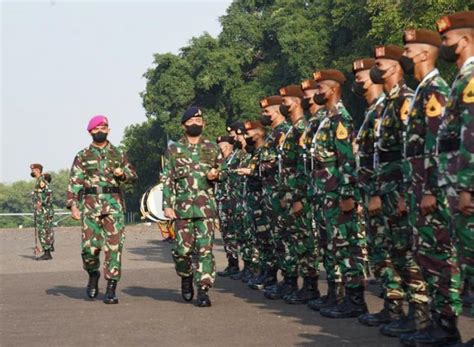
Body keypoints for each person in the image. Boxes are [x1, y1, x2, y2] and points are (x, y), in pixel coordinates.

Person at [310, 69, 368, 318]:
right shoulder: (327, 117)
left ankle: (355, 300)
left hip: (338, 192)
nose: (317, 92)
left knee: (347, 245)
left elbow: (346, 159)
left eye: (321, 87)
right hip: (327, 192)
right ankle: (339, 294)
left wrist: (347, 193)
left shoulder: (340, 118)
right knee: (335, 246)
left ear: (333, 89)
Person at [67, 115, 137, 304]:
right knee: (89, 250)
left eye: (104, 127)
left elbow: (132, 175)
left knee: (114, 248)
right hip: (90, 206)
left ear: (109, 130)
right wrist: (73, 204)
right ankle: (92, 274)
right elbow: (75, 182)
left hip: (114, 205)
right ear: (90, 131)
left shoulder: (119, 153)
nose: (101, 131)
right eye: (97, 128)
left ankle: (111, 288)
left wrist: (123, 174)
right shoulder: (82, 155)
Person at [161, 106, 223, 307]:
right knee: (182, 251)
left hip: (206, 208)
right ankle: (185, 275)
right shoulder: (174, 149)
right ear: (183, 125)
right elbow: (167, 179)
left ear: (203, 124)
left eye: (199, 121)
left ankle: (203, 289)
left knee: (205, 250)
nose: (196, 124)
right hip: (182, 209)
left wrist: (217, 175)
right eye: (191, 121)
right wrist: (167, 206)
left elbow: (222, 173)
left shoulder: (213, 148)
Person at [349, 58, 390, 327]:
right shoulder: (372, 111)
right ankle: (392, 306)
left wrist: (376, 191)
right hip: (371, 191)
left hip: (388, 191)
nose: (359, 79)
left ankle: (402, 309)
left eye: (363, 74)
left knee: (392, 250)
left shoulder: (388, 108)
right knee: (381, 250)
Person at [30, 163, 54, 260]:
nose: (32, 172)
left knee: (44, 231)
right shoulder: (38, 181)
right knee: (44, 230)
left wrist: (42, 203)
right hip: (41, 211)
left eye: (34, 170)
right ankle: (47, 250)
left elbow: (49, 193)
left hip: (44, 211)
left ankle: (47, 253)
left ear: (38, 170)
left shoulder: (41, 181)